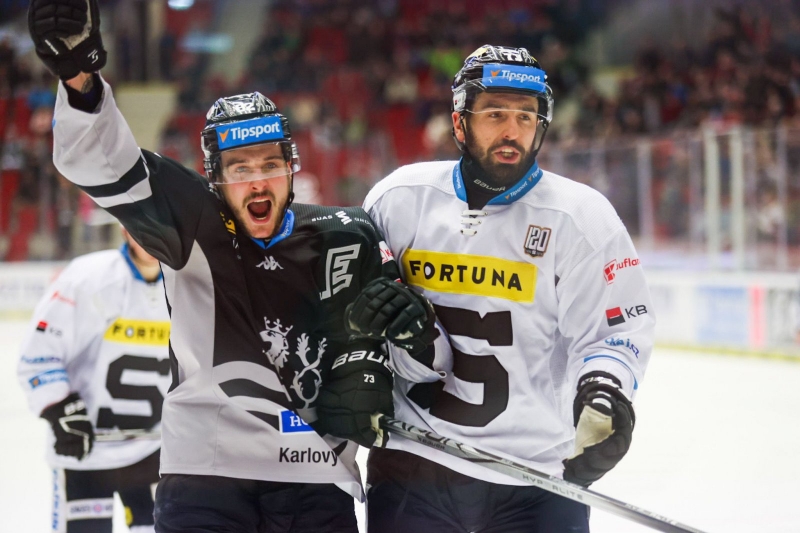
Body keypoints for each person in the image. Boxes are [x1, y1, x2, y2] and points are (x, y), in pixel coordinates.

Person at [27, 1, 439, 532]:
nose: (257, 181)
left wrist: (393, 355)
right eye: (239, 168)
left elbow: (403, 364)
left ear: (292, 167)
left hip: (316, 480)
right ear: (214, 177)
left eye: (270, 164)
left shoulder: (348, 234)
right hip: (206, 478)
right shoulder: (192, 219)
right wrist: (81, 78)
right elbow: (104, 163)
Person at [348, 45, 656, 532]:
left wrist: (604, 391)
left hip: (537, 476)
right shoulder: (398, 201)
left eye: (526, 116)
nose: (512, 131)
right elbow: (360, 316)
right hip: (416, 462)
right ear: (459, 122)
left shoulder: (581, 218)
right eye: (494, 114)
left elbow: (612, 334)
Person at [17, 228, 169, 533]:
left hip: (156, 457)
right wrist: (59, 408)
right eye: (142, 226)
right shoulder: (86, 278)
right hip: (86, 458)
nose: (152, 236)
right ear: (125, 228)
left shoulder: (192, 282)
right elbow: (38, 356)